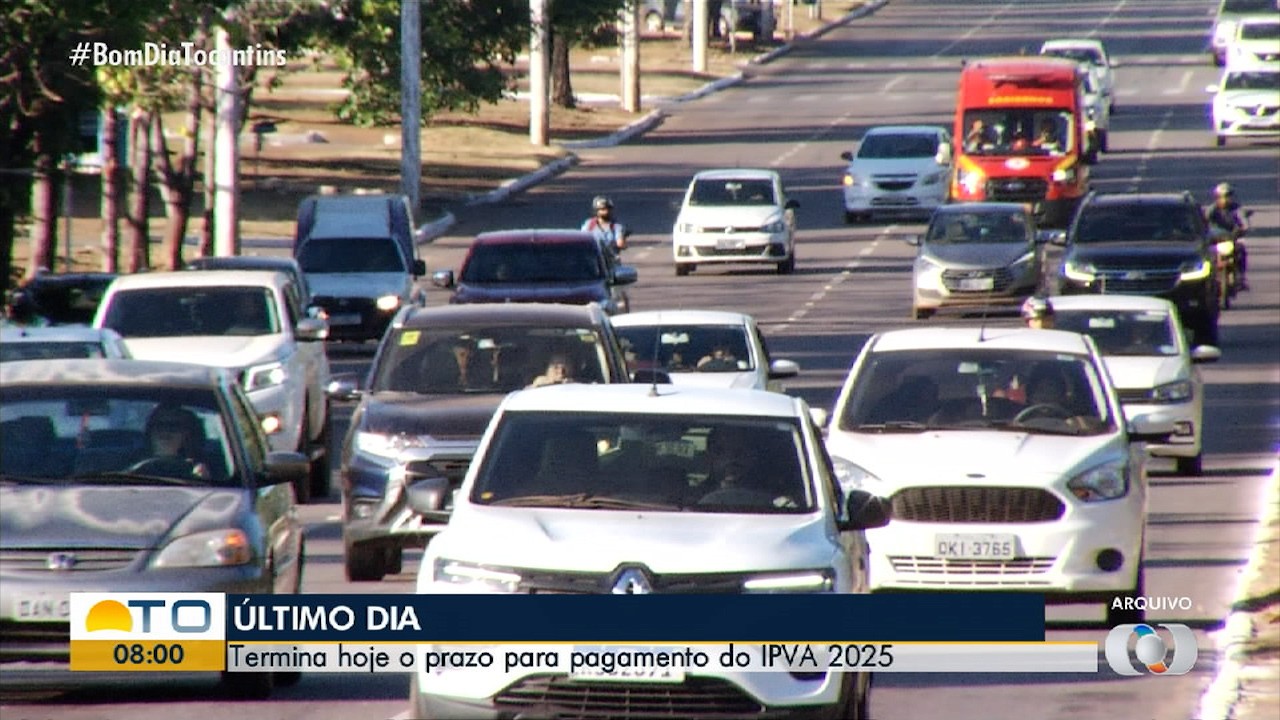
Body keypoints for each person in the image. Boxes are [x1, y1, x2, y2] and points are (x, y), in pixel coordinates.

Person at [142, 404, 212, 479]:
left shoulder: (206, 467)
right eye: (159, 425)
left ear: (188, 434)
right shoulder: (134, 459)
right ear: (150, 432)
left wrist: (202, 480)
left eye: (173, 426)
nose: (165, 431)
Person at [1206, 182, 1249, 290]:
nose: (1224, 199)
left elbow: (1243, 219)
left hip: (1232, 237)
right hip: (1216, 239)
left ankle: (1241, 276)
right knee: (1207, 255)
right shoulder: (1212, 209)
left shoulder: (1236, 208)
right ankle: (1208, 278)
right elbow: (1204, 221)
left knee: (1241, 250)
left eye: (1227, 196)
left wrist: (1243, 228)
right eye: (1221, 196)